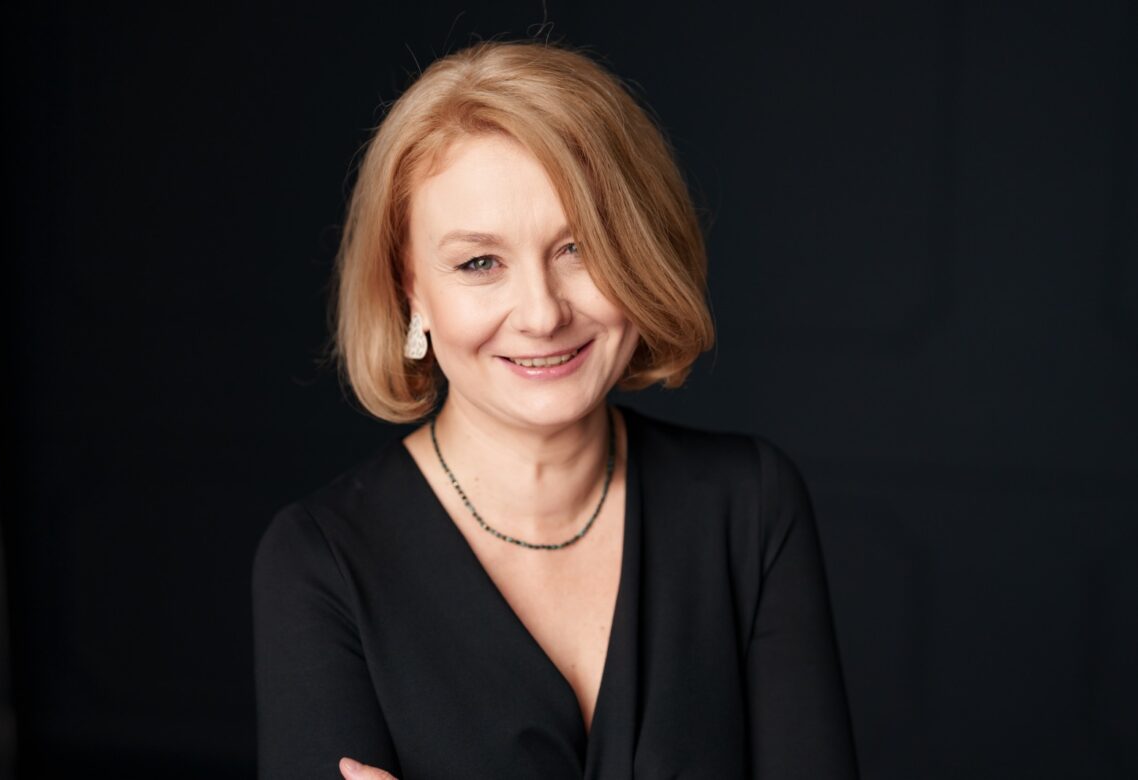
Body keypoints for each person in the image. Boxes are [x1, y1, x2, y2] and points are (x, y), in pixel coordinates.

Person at [252, 40, 858, 780]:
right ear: (410, 288)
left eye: (579, 247)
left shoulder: (752, 507)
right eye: (480, 263)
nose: (542, 314)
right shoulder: (320, 561)